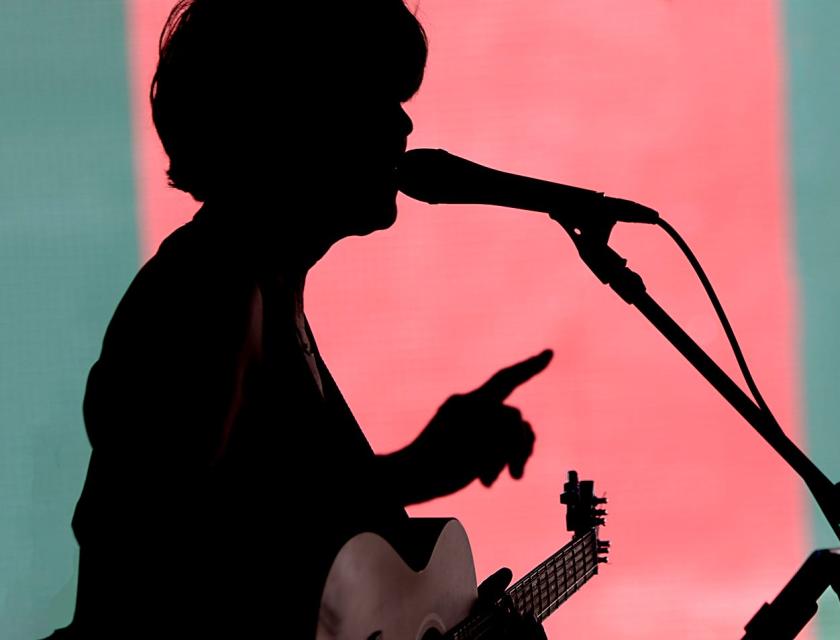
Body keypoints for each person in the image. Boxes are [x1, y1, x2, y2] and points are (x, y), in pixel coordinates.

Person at [52, 1, 552, 638]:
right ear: (294, 119)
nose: (404, 124)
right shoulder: (216, 292)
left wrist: (418, 469)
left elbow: (275, 547)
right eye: (376, 98)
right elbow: (176, 553)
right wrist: (412, 472)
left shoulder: (265, 289)